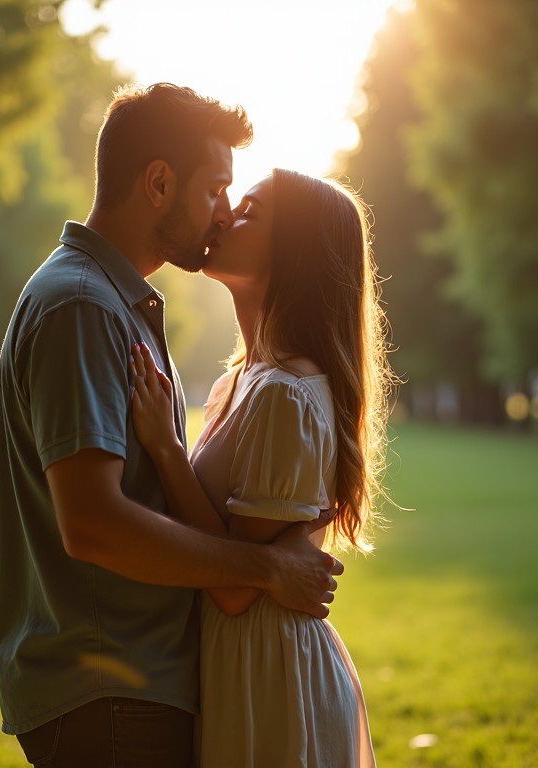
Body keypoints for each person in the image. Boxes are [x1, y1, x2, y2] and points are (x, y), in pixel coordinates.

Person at [0, 84, 345, 767]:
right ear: (158, 183)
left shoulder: (112, 303)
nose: (223, 211)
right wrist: (269, 567)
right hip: (112, 693)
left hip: (131, 687)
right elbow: (92, 523)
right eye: (216, 188)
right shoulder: (83, 306)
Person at [129, 167, 393, 767]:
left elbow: (233, 591)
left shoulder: (284, 394)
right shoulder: (237, 382)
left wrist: (168, 453)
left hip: (268, 671)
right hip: (237, 663)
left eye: (249, 212)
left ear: (293, 253)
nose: (224, 217)